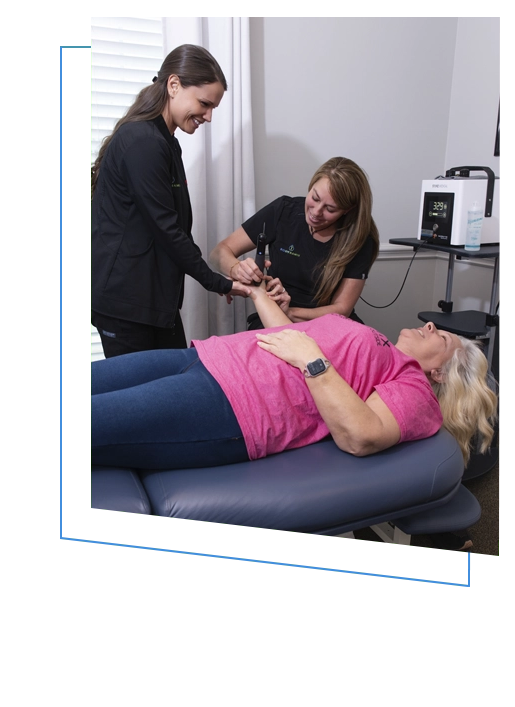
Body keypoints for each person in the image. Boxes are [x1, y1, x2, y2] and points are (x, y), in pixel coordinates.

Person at [92, 282, 497, 473]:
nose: (429, 327)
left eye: (440, 336)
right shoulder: (382, 348)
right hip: (206, 357)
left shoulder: (414, 390)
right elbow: (292, 336)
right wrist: (257, 294)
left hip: (234, 403)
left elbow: (362, 434)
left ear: (441, 372)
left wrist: (314, 362)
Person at [91, 44, 249, 357]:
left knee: (174, 380)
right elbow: (167, 229)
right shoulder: (143, 142)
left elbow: (173, 225)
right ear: (174, 85)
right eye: (204, 104)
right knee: (140, 400)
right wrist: (217, 282)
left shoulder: (164, 142)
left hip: (149, 299)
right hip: (126, 303)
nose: (208, 116)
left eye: (213, 107)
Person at [209, 156, 380, 329]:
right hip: (274, 318)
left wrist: (290, 312)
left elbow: (341, 309)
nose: (316, 212)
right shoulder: (284, 211)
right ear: (311, 186)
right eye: (315, 197)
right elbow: (218, 253)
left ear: (347, 210)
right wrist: (238, 270)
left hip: (330, 324)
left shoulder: (360, 238)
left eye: (330, 209)